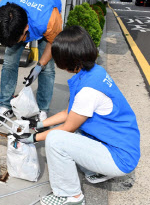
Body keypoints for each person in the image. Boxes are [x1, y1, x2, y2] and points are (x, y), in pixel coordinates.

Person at [13, 26, 140, 205]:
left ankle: (71, 196)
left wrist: (33, 138)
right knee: (71, 135)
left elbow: (68, 127)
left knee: (56, 140)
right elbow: (69, 112)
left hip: (119, 157)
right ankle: (97, 171)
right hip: (121, 143)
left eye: (58, 58)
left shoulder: (88, 90)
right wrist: (38, 125)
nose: (56, 63)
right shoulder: (94, 72)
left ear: (69, 58)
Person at [0, 0, 63, 126]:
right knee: (9, 62)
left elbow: (52, 44)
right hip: (23, 8)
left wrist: (39, 66)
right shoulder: (0, 19)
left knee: (48, 69)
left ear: (26, 29)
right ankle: (5, 106)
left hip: (46, 6)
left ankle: (42, 110)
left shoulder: (49, 20)